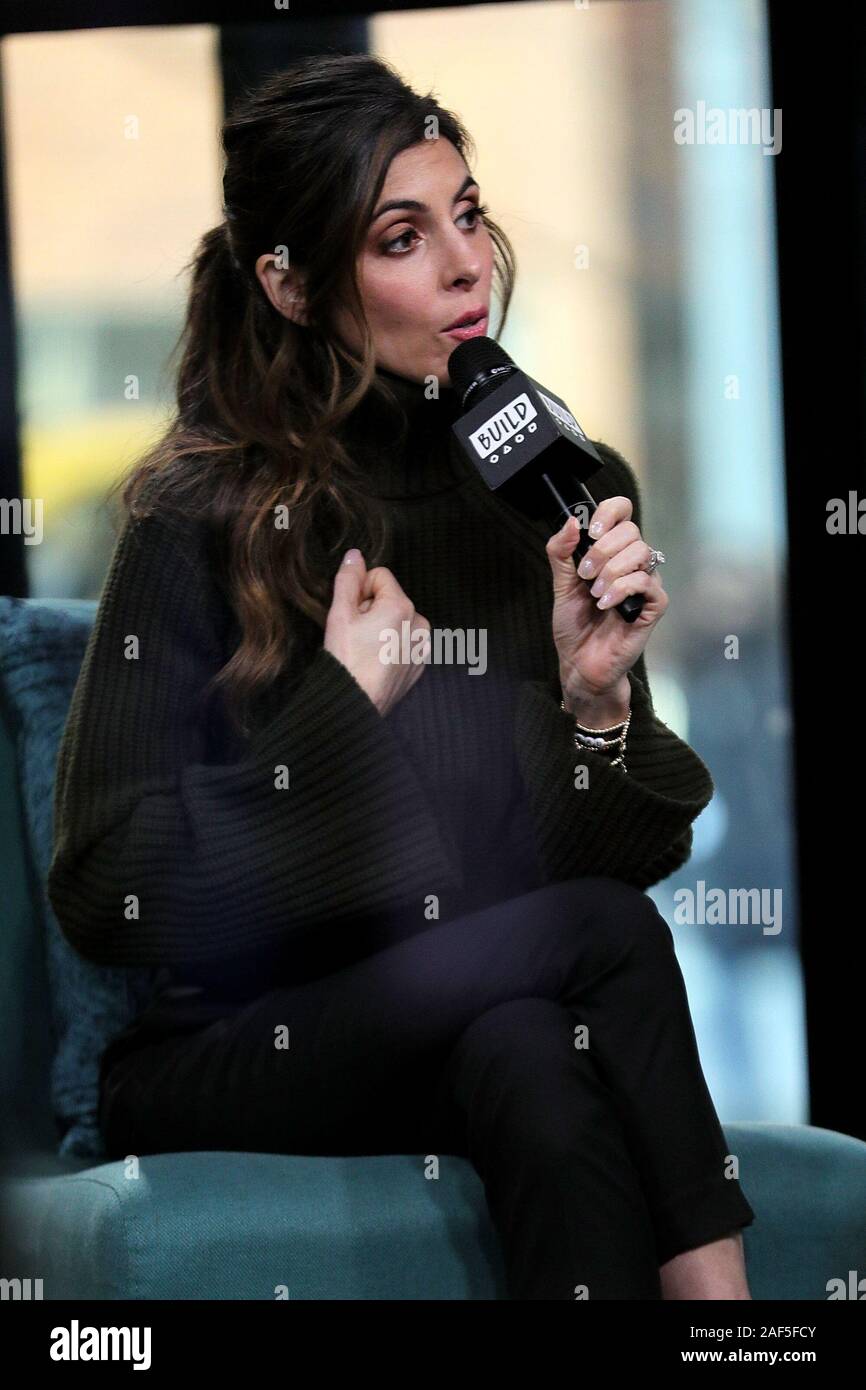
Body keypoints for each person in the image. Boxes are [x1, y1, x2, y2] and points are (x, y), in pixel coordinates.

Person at [47, 53, 755, 1300]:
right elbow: (107, 891)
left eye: (466, 215)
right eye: (400, 236)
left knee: (537, 1058)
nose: (463, 263)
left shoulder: (552, 493)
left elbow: (580, 861)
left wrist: (593, 705)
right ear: (288, 282)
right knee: (601, 935)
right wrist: (335, 714)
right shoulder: (198, 512)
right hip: (234, 1041)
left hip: (474, 997)